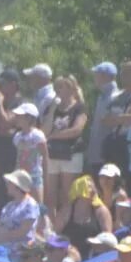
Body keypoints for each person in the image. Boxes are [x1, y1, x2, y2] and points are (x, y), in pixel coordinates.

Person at [45, 75, 88, 214]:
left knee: (67, 194)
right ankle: (51, 226)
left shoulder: (79, 107)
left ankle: (66, 225)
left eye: (61, 87)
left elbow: (76, 130)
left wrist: (54, 136)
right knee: (50, 195)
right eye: (56, 87)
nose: (57, 90)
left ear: (71, 89)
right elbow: (44, 130)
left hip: (71, 154)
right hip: (52, 154)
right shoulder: (52, 108)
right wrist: (52, 110)